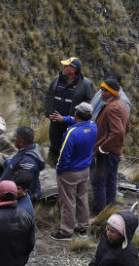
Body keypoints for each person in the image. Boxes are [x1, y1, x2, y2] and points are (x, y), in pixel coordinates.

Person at [49, 101, 97, 240]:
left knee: (68, 201)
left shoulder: (72, 133)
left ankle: (66, 232)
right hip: (85, 170)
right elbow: (80, 122)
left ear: (76, 114)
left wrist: (59, 170)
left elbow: (64, 155)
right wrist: (65, 119)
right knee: (82, 198)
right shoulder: (93, 126)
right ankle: (83, 228)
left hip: (70, 172)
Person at [44, 57, 94, 163]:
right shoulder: (56, 79)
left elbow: (88, 104)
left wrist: (80, 120)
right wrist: (48, 112)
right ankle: (50, 164)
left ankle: (65, 168)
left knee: (68, 146)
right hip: (55, 119)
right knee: (54, 145)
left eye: (66, 66)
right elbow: (48, 96)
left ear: (73, 69)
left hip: (72, 122)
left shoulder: (86, 84)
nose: (63, 67)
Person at [93, 78, 130, 215]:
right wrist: (117, 143)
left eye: (105, 91)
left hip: (107, 154)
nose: (102, 93)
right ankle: (109, 211)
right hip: (114, 152)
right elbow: (126, 127)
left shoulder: (112, 108)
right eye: (102, 89)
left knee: (99, 182)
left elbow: (119, 131)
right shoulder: (120, 105)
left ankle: (99, 213)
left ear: (113, 93)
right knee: (110, 182)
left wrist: (103, 147)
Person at [0, 126, 44, 201]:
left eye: (16, 137)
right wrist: (8, 160)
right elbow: (17, 164)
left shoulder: (27, 163)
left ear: (21, 142)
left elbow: (24, 189)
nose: (14, 139)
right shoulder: (27, 149)